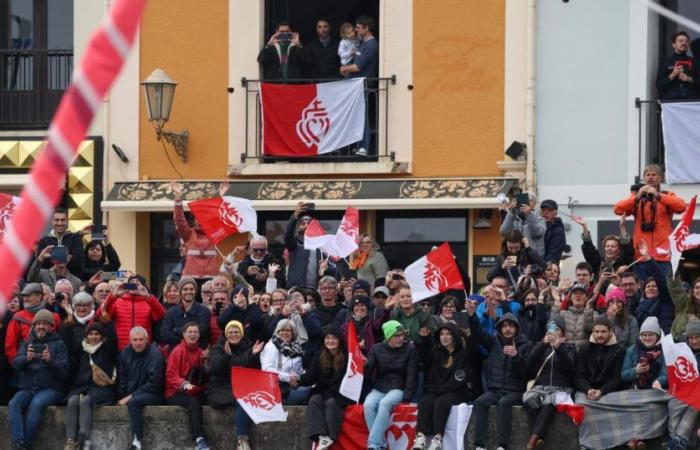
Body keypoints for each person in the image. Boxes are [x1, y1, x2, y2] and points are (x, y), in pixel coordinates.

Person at [468, 310, 532, 450]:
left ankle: (501, 445)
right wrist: (472, 316)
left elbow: (526, 374)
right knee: (480, 402)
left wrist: (516, 356)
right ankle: (479, 445)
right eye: (504, 326)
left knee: (504, 403)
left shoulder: (526, 345)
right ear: (500, 328)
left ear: (516, 328)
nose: (507, 329)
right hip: (495, 390)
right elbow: (479, 333)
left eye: (511, 326)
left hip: (516, 392)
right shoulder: (494, 341)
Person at [9, 310, 69, 450]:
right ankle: (19, 443)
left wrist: (50, 361)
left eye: (45, 324)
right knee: (14, 404)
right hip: (28, 387)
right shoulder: (27, 343)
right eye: (38, 324)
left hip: (51, 388)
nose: (41, 327)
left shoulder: (59, 344)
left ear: (51, 327)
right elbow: (16, 364)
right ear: (34, 326)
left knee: (36, 404)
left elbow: (65, 372)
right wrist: (26, 359)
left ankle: (27, 444)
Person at [613, 164, 686, 274]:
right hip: (642, 256)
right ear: (644, 178)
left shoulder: (667, 195)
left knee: (663, 289)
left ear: (661, 178)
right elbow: (617, 209)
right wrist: (636, 198)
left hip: (662, 256)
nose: (650, 177)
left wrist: (658, 196)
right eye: (647, 175)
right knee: (644, 289)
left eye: (654, 175)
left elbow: (681, 207)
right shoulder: (637, 198)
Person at [412, 323, 474, 450]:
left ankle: (437, 439)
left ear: (454, 336)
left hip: (456, 391)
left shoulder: (463, 353)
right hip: (436, 389)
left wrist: (442, 389)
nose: (444, 337)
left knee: (441, 403)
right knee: (425, 402)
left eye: (448, 334)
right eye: (442, 334)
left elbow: (460, 377)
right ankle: (420, 437)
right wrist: (425, 339)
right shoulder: (436, 351)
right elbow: (426, 363)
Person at [206, 320, 263, 450]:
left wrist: (253, 355)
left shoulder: (248, 348)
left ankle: (242, 441)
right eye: (230, 332)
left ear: (242, 334)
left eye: (236, 332)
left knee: (245, 398)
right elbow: (215, 368)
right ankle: (242, 440)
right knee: (242, 398)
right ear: (226, 335)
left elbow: (253, 370)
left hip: (241, 385)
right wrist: (226, 356)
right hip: (220, 387)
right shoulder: (218, 348)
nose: (233, 334)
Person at [522, 316, 576, 450]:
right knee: (530, 400)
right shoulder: (540, 346)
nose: (554, 332)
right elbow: (529, 365)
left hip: (561, 387)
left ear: (563, 332)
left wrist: (558, 348)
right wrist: (542, 345)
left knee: (549, 404)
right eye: (551, 329)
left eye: (557, 329)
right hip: (541, 386)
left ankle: (532, 440)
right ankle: (540, 438)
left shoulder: (570, 347)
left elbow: (569, 367)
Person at [293, 327, 351, 450]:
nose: (330, 341)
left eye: (334, 338)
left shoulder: (347, 356)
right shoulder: (320, 355)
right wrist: (298, 379)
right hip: (324, 391)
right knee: (314, 400)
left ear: (340, 340)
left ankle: (331, 436)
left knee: (331, 403)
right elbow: (311, 376)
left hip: (342, 393)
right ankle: (320, 436)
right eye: (327, 338)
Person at [363, 320, 417, 450]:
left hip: (399, 387)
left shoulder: (409, 348)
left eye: (402, 335)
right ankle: (381, 444)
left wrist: (407, 396)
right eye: (396, 335)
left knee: (385, 403)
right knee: (368, 405)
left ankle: (373, 445)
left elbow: (412, 374)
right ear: (388, 336)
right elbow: (368, 371)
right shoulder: (376, 348)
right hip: (380, 386)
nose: (400, 338)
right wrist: (363, 364)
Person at [63, 322, 117, 450]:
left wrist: (109, 323)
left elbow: (113, 340)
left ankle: (84, 440)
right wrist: (69, 327)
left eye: (97, 334)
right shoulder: (81, 350)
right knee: (72, 401)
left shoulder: (107, 349)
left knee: (85, 400)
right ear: (86, 336)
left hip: (103, 389)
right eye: (91, 334)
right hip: (82, 388)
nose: (93, 337)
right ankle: (70, 440)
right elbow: (69, 344)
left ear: (102, 337)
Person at [117, 326, 165, 450]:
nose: (138, 343)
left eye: (141, 340)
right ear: (130, 340)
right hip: (133, 392)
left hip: (154, 393)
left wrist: (130, 397)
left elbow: (155, 384)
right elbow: (123, 378)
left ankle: (137, 441)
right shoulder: (125, 353)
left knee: (134, 402)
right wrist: (122, 396)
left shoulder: (155, 355)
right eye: (135, 340)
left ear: (146, 340)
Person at [165, 323, 211, 450]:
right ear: (184, 334)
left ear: (199, 335)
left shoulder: (200, 352)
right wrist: (184, 384)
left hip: (194, 390)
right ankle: (199, 438)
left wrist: (207, 363)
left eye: (195, 332)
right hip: (174, 392)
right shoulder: (177, 351)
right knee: (193, 403)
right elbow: (170, 375)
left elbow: (203, 376)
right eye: (190, 332)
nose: (193, 334)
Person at [341, 15, 379, 155]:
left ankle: (364, 146)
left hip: (363, 85)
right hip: (356, 86)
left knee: (363, 116)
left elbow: (357, 67)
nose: (356, 29)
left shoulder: (371, 45)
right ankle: (358, 145)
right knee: (357, 116)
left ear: (366, 28)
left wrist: (345, 68)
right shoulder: (363, 43)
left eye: (358, 27)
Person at [171, 181, 223, 279]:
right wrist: (178, 197)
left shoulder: (214, 234)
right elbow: (179, 219)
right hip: (190, 280)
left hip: (211, 280)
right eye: (197, 218)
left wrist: (221, 198)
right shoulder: (189, 234)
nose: (200, 221)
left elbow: (220, 216)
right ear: (194, 220)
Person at [98, 282, 166, 351]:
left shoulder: (148, 302)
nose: (134, 287)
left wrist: (148, 297)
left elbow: (161, 315)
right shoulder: (117, 301)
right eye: (131, 284)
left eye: (136, 285)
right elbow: (100, 314)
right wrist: (112, 296)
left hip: (143, 348)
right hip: (120, 348)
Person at [5, 283, 61, 363]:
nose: (24, 299)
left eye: (28, 296)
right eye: (23, 296)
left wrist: (52, 362)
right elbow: (10, 346)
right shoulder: (17, 317)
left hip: (48, 366)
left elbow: (59, 344)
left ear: (39, 297)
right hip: (24, 366)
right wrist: (18, 364)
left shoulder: (54, 317)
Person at [666, 319, 700, 450]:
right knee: (673, 404)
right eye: (691, 338)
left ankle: (678, 439)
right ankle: (677, 439)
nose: (695, 341)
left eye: (698, 337)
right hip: (684, 390)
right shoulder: (682, 351)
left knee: (694, 404)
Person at [260, 319, 310, 405]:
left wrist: (298, 379)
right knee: (307, 393)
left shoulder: (297, 348)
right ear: (277, 332)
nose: (284, 333)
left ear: (293, 333)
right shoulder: (271, 346)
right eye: (282, 330)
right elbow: (267, 369)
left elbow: (300, 371)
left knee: (312, 390)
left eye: (288, 330)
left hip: (291, 386)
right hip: (274, 388)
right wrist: (288, 377)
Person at [160, 277, 211, 351]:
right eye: (185, 289)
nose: (188, 291)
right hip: (176, 355)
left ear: (195, 291)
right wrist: (190, 337)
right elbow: (165, 335)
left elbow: (202, 332)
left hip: (197, 355)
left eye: (191, 289)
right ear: (180, 291)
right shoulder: (171, 312)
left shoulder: (204, 311)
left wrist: (176, 330)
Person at [35, 207, 86, 279]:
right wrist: (66, 257)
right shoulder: (44, 240)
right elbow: (42, 263)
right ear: (51, 221)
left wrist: (52, 257)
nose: (60, 223)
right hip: (49, 280)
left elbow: (78, 261)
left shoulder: (75, 239)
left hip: (71, 280)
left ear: (67, 221)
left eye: (63, 220)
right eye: (56, 220)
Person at [285, 202, 323, 289]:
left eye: (309, 223)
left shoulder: (320, 245)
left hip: (314, 289)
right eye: (303, 224)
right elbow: (288, 235)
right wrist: (295, 215)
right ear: (298, 228)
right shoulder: (294, 243)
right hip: (296, 287)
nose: (306, 226)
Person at [58, 292, 98, 373]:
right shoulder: (67, 322)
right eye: (78, 305)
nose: (81, 308)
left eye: (85, 305)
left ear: (91, 306)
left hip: (92, 366)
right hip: (73, 367)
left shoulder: (97, 322)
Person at [499, 193, 547, 258]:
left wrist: (529, 215)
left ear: (535, 203)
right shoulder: (513, 217)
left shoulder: (540, 218)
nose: (526, 203)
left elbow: (536, 233)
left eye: (529, 200)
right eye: (522, 200)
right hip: (515, 257)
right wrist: (511, 213)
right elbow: (503, 232)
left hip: (535, 259)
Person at [656, 31, 698, 100]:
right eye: (680, 41)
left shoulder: (695, 62)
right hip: (672, 103)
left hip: (691, 102)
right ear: (673, 45)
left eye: (686, 41)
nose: (684, 43)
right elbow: (659, 85)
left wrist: (689, 79)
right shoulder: (666, 62)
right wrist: (673, 74)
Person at [540, 199, 566, 264]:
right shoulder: (537, 227)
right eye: (543, 210)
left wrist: (544, 267)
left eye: (549, 210)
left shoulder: (558, 230)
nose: (545, 213)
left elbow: (553, 253)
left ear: (555, 213)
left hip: (549, 267)